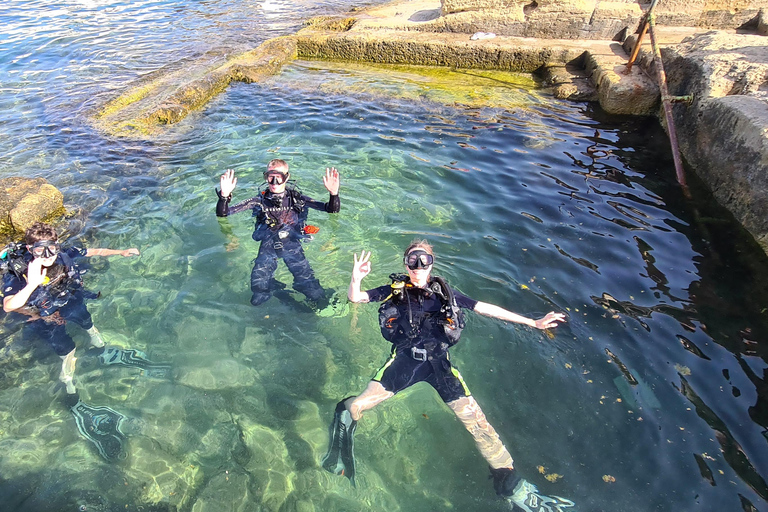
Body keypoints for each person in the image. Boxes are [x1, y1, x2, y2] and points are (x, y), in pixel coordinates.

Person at [322, 240, 576, 512]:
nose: (418, 268)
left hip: (440, 365)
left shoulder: (447, 295)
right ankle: (344, 419)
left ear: (432, 263)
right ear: (405, 264)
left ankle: (512, 488)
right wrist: (355, 279)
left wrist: (533, 322)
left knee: (478, 425)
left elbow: (486, 308)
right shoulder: (393, 291)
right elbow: (356, 298)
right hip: (405, 361)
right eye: (413, 261)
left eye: (424, 261)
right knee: (358, 405)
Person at [0, 222, 159, 461]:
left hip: (70, 300)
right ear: (29, 249)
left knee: (87, 322)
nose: (47, 256)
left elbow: (93, 252)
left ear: (57, 245)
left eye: (51, 249)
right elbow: (9, 305)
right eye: (39, 251)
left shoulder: (63, 254)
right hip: (46, 317)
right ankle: (71, 392)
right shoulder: (20, 272)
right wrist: (35, 303)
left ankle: (101, 349)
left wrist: (121, 252)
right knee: (69, 351)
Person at [216, 159, 340, 307]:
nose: (274, 182)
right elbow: (224, 214)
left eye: (279, 177)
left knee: (314, 293)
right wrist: (224, 196)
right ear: (265, 177)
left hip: (292, 245)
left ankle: (299, 294)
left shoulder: (296, 199)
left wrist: (333, 194)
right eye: (270, 177)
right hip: (268, 245)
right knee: (258, 293)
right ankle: (274, 289)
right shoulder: (259, 201)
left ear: (286, 177)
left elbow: (331, 209)